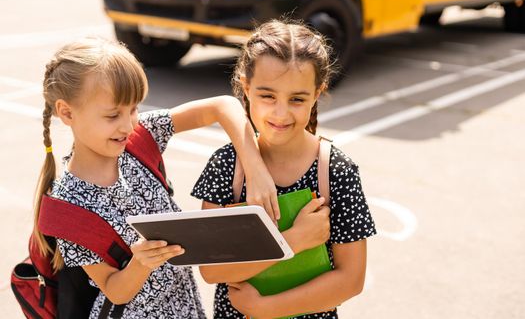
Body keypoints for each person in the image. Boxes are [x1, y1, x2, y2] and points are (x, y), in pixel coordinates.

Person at [32, 37, 279, 318]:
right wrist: (140, 263)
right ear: (66, 112)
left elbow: (222, 107)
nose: (127, 125)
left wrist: (255, 168)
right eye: (113, 115)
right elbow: (114, 290)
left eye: (134, 109)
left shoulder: (138, 140)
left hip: (186, 308)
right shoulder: (68, 207)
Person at [191, 19, 377, 318]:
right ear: (246, 87)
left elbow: (351, 280)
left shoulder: (336, 171)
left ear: (317, 93)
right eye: (267, 96)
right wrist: (294, 240)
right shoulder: (228, 166)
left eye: (297, 99)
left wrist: (265, 308)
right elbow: (213, 270)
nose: (281, 113)